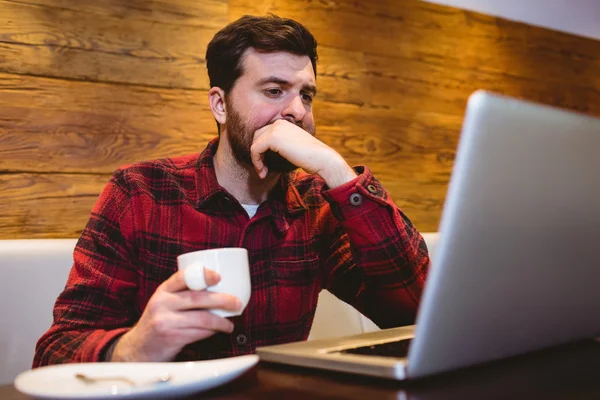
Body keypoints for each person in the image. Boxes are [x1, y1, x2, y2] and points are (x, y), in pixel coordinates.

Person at [33, 14, 430, 366]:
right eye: (274, 91)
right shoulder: (141, 193)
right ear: (220, 105)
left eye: (305, 95)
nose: (297, 111)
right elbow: (56, 352)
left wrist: (337, 171)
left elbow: (418, 315)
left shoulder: (315, 206)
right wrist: (134, 348)